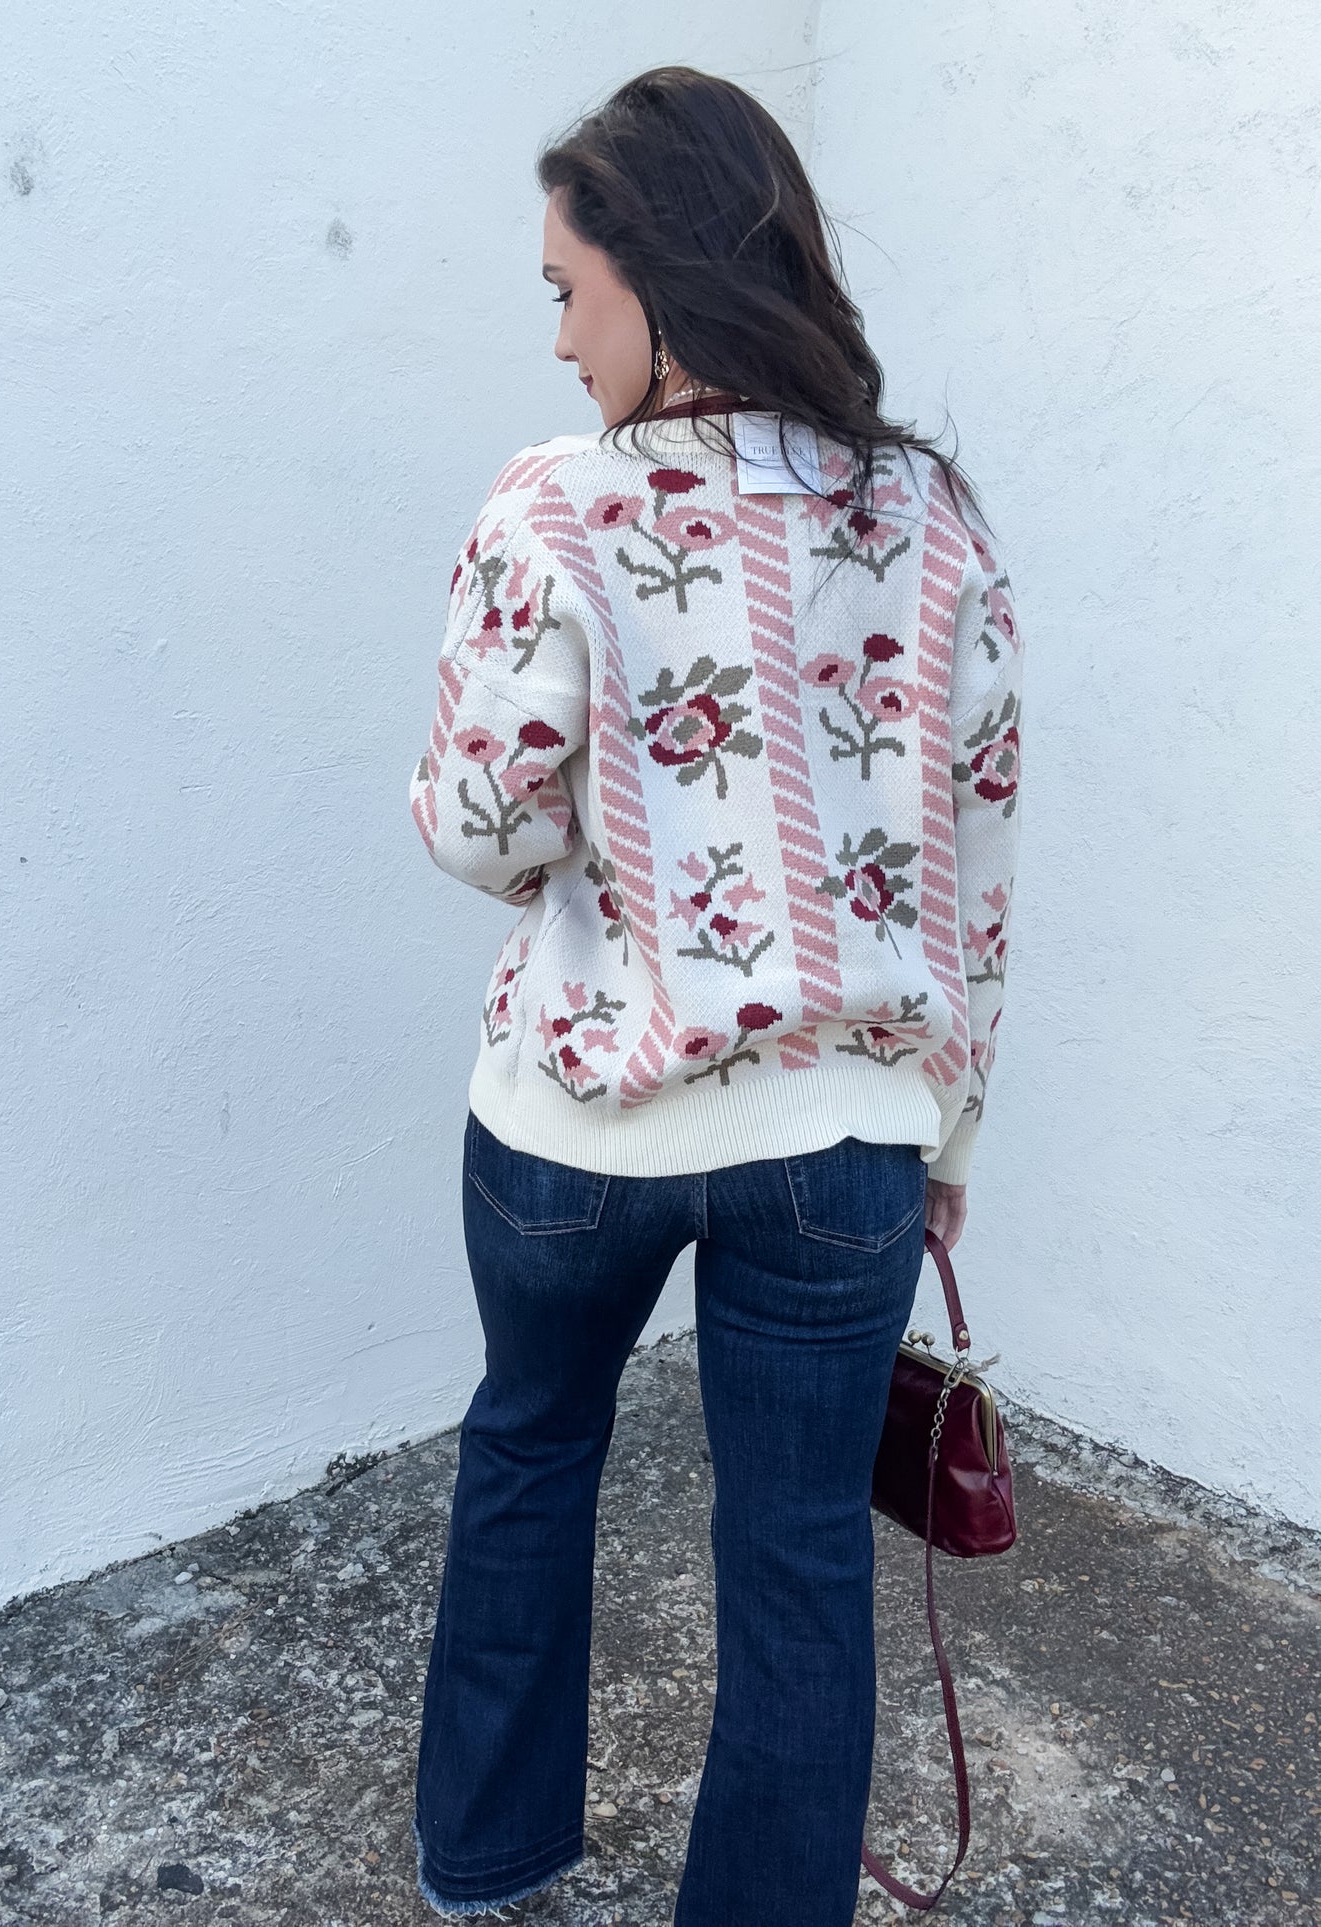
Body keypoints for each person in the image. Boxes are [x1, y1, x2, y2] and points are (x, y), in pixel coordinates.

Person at [405, 64, 1023, 1927]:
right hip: (841, 1134)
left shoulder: (552, 507)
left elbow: (480, 824)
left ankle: (488, 1860)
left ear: (659, 281)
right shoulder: (929, 515)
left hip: (575, 1121)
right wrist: (949, 1126)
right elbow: (975, 849)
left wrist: (572, 848)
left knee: (529, 1446)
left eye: (568, 296)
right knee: (797, 1562)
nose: (564, 342)